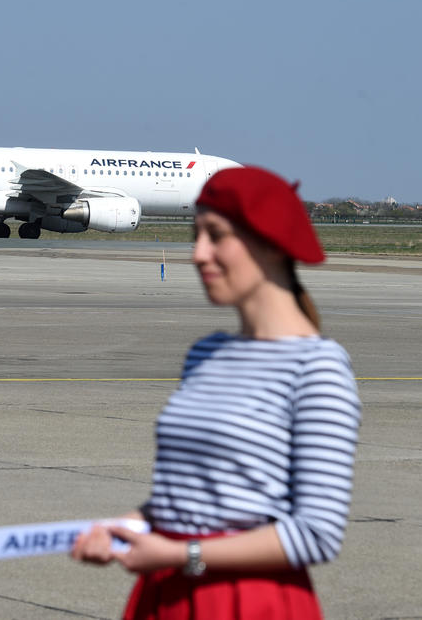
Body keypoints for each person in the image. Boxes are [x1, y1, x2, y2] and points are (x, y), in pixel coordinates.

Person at [71, 166, 361, 620]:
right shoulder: (205, 353)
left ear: (269, 242)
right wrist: (128, 525)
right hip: (165, 594)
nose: (198, 254)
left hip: (248, 601)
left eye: (216, 236)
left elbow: (316, 534)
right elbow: (192, 496)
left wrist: (177, 554)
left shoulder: (317, 368)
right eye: (196, 235)